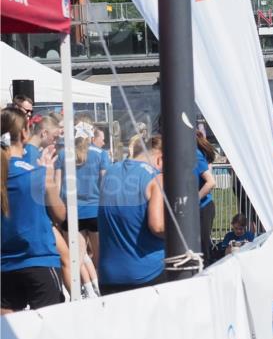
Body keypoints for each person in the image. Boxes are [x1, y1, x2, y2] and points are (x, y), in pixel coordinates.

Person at [1, 108, 66, 312]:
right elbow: (60, 214)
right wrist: (50, 178)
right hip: (38, 259)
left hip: (5, 265)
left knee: (6, 338)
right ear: (24, 133)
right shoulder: (35, 174)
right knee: (51, 334)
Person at [97, 135, 166, 295]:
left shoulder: (110, 172)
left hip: (108, 276)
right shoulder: (156, 178)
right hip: (147, 275)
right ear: (159, 159)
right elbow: (157, 226)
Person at [55, 120, 110, 297]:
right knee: (100, 256)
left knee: (76, 257)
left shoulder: (63, 155)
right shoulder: (101, 154)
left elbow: (56, 186)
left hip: (71, 212)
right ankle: (102, 290)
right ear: (91, 136)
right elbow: (105, 185)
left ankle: (77, 293)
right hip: (95, 210)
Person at [195, 132, 217, 264]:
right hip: (199, 208)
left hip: (203, 208)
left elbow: (211, 182)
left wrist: (194, 200)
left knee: (203, 247)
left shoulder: (195, 155)